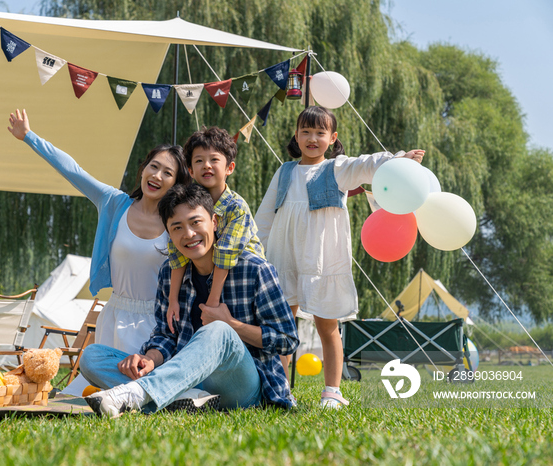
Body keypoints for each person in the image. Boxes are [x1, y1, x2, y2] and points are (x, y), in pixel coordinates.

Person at [254, 106, 425, 408]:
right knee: (283, 325)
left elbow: (367, 165)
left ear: (332, 138)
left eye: (320, 133)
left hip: (322, 259)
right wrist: (259, 253)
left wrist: (398, 162)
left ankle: (332, 391)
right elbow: (266, 215)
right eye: (305, 131)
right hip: (285, 256)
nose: (312, 138)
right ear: (296, 135)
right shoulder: (284, 172)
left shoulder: (337, 169)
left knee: (327, 324)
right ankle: (279, 388)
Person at [81, 184, 299, 418]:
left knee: (219, 331)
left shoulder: (255, 270)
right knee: (92, 357)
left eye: (196, 222)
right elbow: (166, 335)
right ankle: (182, 398)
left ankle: (139, 394)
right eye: (177, 227)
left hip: (242, 387)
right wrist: (150, 359)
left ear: (214, 222)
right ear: (169, 233)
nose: (189, 234)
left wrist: (232, 325)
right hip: (188, 379)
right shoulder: (169, 273)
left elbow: (287, 340)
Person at [7, 109, 191, 358]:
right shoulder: (114, 203)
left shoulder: (177, 223)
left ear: (176, 183)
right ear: (143, 168)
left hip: (157, 322)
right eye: (153, 166)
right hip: (114, 314)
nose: (157, 175)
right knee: (99, 386)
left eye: (167, 173)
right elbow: (73, 170)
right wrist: (29, 136)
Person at [166, 126, 265, 334]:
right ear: (190, 170)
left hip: (242, 276)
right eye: (199, 160)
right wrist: (173, 300)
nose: (206, 165)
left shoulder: (236, 207)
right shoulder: (188, 206)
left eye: (214, 159)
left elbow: (226, 253)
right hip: (208, 276)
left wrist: (212, 304)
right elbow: (176, 252)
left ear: (229, 168)